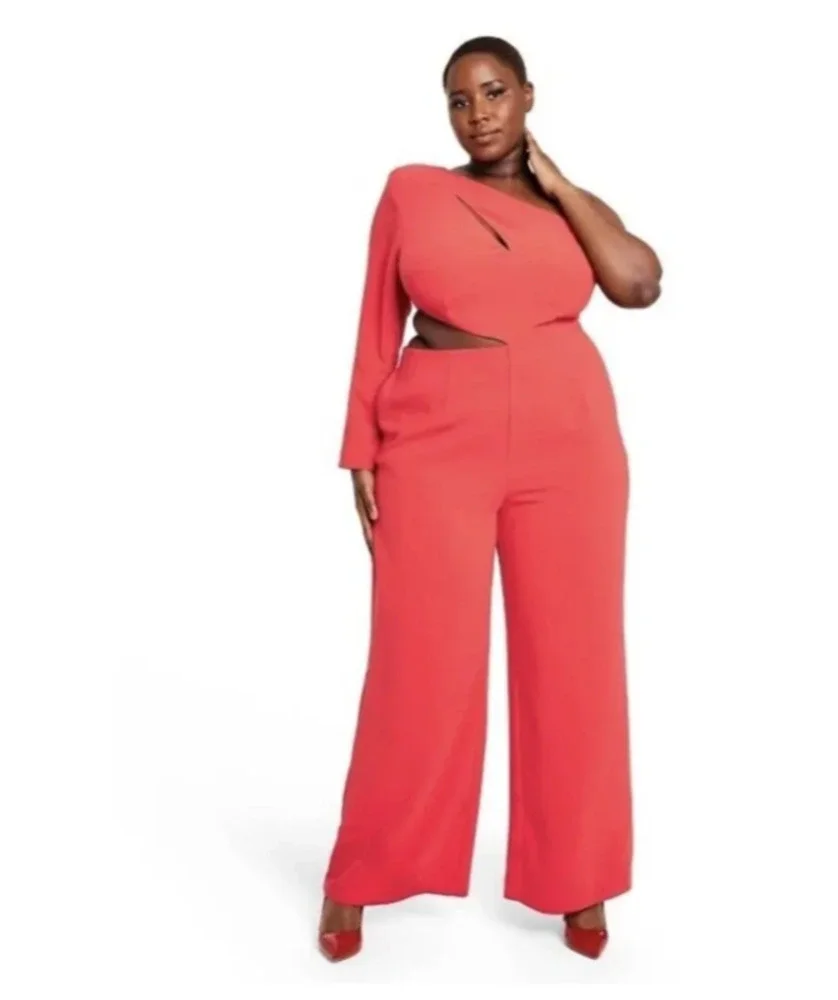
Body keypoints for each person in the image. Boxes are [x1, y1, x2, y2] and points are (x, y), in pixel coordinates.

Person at [317, 35, 662, 963]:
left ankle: (578, 875)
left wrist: (557, 182)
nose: (478, 114)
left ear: (529, 97)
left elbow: (638, 284)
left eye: (495, 92)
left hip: (569, 440)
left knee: (575, 664)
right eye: (460, 100)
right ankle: (360, 873)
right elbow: (375, 322)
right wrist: (360, 448)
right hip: (436, 439)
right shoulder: (412, 192)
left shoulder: (572, 207)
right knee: (418, 662)